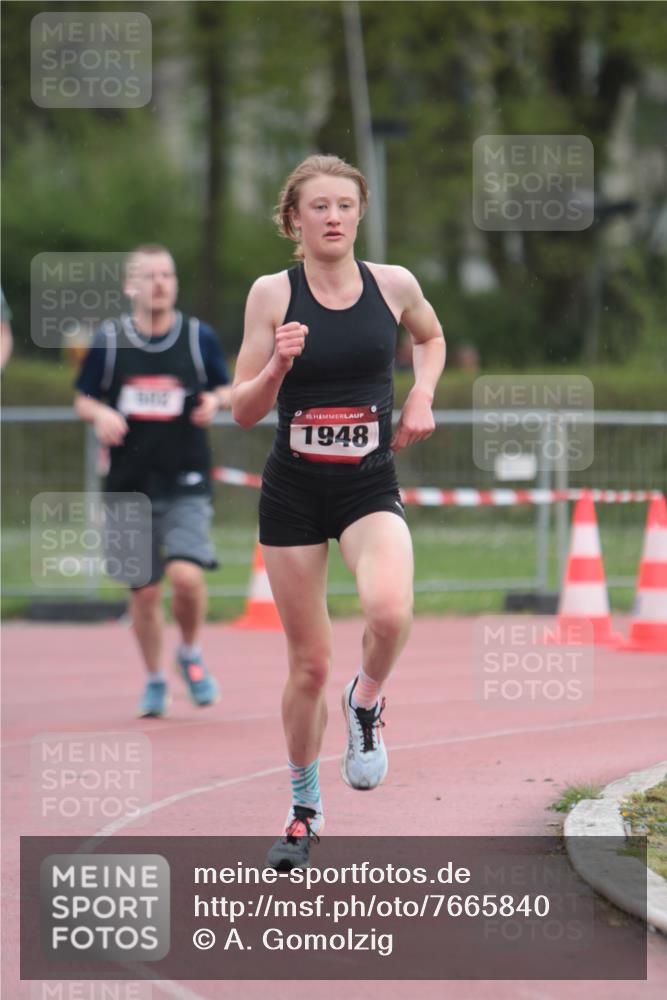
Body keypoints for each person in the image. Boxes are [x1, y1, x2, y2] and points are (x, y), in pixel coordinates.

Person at [232, 155, 445, 869]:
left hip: (366, 486)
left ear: (359, 213)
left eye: (344, 205)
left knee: (388, 612)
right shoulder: (271, 294)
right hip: (293, 492)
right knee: (309, 667)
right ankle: (302, 807)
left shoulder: (393, 284)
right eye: (317, 206)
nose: (332, 217)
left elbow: (431, 336)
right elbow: (240, 410)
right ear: (293, 219)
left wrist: (420, 396)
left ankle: (368, 703)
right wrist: (276, 369)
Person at [74, 244, 231, 717]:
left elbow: (225, 385)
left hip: (184, 476)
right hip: (127, 481)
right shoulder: (108, 340)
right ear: (131, 286)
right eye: (149, 275)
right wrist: (100, 412)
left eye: (167, 274)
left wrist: (216, 402)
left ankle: (189, 652)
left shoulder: (197, 337)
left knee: (185, 577)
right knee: (142, 591)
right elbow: (83, 396)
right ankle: (155, 679)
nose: (160, 282)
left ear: (175, 284)